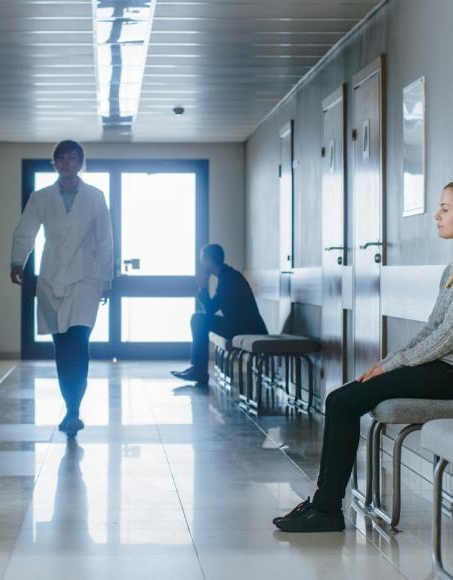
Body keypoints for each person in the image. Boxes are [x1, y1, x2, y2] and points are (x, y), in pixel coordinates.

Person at [274, 183, 453, 533]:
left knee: (343, 402)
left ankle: (326, 510)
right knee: (340, 397)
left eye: (446, 208)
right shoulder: (451, 270)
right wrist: (394, 357)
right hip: (440, 368)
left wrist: (391, 365)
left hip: (448, 373)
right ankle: (322, 504)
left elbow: (445, 341)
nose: (437, 214)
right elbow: (432, 328)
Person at [10, 140, 113, 438]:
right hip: (52, 278)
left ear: (81, 163)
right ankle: (70, 405)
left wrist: (107, 279)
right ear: (54, 163)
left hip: (87, 278)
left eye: (72, 158)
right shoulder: (41, 197)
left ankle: (73, 410)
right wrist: (18, 261)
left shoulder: (95, 197)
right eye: (61, 159)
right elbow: (26, 230)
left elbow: (106, 239)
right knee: (62, 346)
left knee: (78, 342)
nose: (67, 163)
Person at [172, 243, 268, 383]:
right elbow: (212, 309)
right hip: (241, 325)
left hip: (247, 328)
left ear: (210, 261)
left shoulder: (228, 280)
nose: (200, 264)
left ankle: (198, 370)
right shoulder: (227, 276)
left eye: (202, 260)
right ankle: (197, 369)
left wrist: (203, 287)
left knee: (198, 319)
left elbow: (210, 310)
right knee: (199, 319)